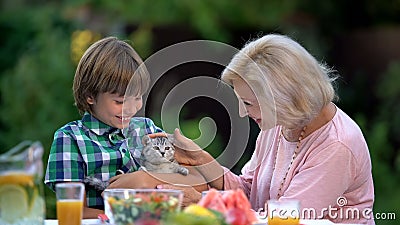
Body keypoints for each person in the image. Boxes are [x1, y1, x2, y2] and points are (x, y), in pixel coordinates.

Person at [158, 34, 375, 224]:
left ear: (284, 97)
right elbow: (249, 194)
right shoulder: (280, 122)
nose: (243, 113)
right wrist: (201, 159)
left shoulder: (337, 145)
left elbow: (284, 220)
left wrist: (203, 204)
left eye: (249, 103)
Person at [44, 36, 207, 219]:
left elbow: (198, 181)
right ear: (90, 95)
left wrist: (145, 180)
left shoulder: (148, 130)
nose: (131, 108)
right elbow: (73, 211)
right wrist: (129, 215)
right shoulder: (70, 139)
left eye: (137, 98)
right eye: (120, 101)